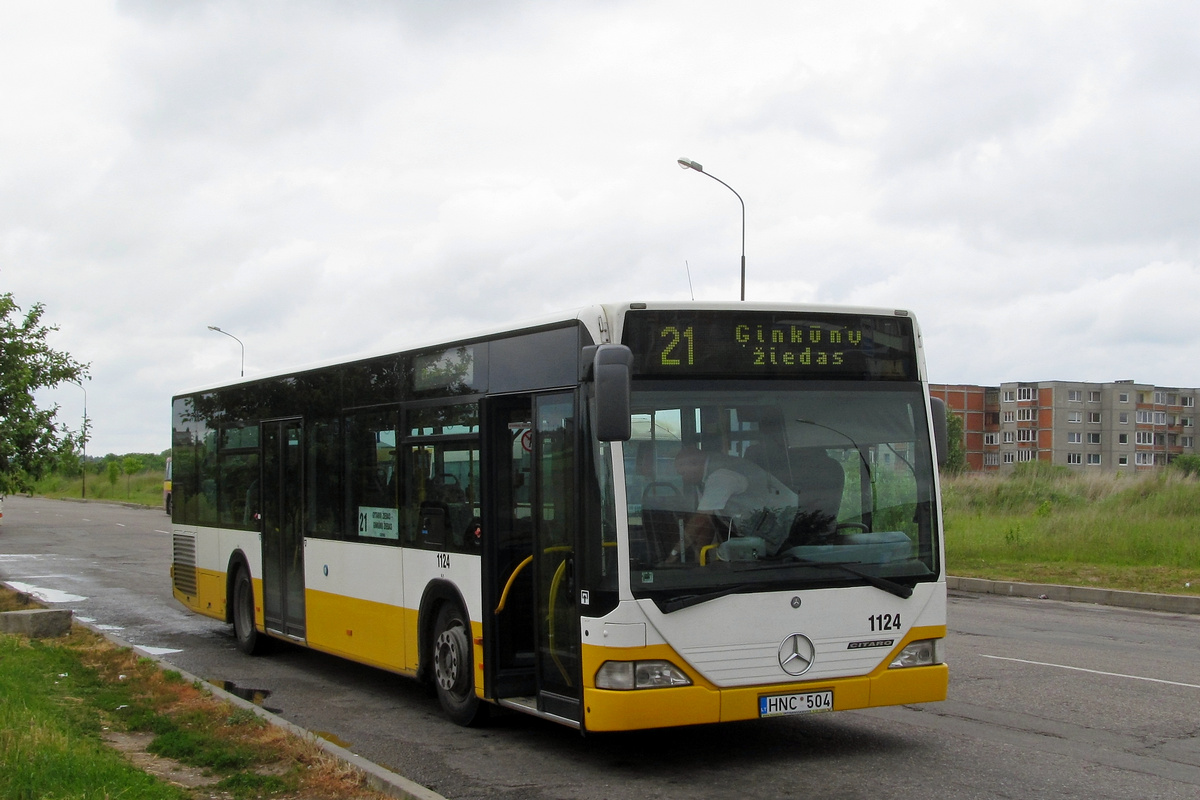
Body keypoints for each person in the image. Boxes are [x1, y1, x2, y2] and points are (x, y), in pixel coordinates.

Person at [671, 446, 797, 561]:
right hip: (759, 532)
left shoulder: (720, 476)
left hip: (783, 527)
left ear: (696, 464)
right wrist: (700, 559)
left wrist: (674, 553)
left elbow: (700, 519)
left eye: (683, 473)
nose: (684, 479)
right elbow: (707, 522)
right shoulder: (703, 480)